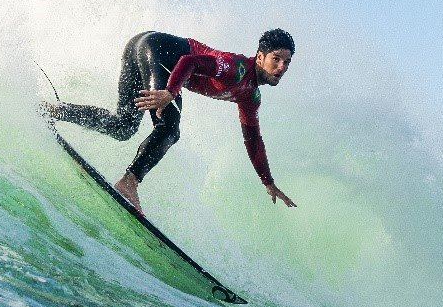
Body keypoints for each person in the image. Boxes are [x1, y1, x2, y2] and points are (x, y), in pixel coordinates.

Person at [46, 29, 297, 214]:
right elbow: (190, 61)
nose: (281, 66)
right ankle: (129, 183)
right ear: (260, 56)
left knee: (122, 126)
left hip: (141, 45)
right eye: (276, 58)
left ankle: (55, 110)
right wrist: (170, 92)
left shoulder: (251, 95)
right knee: (169, 130)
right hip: (159, 51)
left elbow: (252, 139)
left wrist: (268, 182)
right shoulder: (237, 68)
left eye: (287, 62)